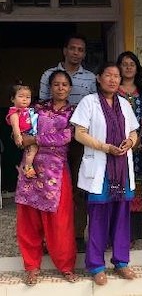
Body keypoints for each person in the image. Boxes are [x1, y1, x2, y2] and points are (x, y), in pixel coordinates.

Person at [70, 62, 139, 286]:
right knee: (98, 218)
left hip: (121, 170)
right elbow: (79, 133)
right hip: (100, 168)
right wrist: (104, 147)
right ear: (98, 78)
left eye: (116, 76)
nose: (112, 79)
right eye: (108, 75)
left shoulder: (124, 104)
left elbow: (134, 131)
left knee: (121, 217)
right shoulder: (88, 102)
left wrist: (130, 142)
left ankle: (121, 262)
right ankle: (96, 265)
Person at [16, 70, 77, 285]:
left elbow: (66, 136)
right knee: (29, 219)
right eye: (56, 84)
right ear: (50, 87)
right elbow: (22, 130)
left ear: (70, 88)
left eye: (64, 85)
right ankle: (31, 265)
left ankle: (66, 265)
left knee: (60, 221)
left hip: (57, 170)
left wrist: (36, 138)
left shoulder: (73, 112)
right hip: (31, 168)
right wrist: (22, 135)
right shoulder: (37, 108)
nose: (60, 88)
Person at [39, 33, 96, 252]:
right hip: (51, 143)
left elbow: (92, 110)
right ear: (65, 50)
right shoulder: (49, 75)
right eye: (73, 48)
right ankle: (50, 236)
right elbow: (42, 106)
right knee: (51, 188)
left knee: (79, 187)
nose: (76, 53)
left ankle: (77, 235)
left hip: (79, 141)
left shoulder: (90, 78)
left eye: (81, 50)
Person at [117, 51, 142, 246]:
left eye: (132, 64)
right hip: (115, 147)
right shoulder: (113, 90)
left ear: (137, 67)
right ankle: (115, 232)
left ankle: (132, 234)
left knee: (135, 187)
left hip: (137, 150)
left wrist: (137, 141)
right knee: (117, 186)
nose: (128, 67)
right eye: (124, 64)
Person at [6, 82, 38, 178]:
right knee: (32, 149)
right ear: (12, 99)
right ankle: (27, 167)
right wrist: (18, 135)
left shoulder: (29, 110)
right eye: (21, 96)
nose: (24, 99)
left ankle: (26, 166)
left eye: (28, 97)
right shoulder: (14, 111)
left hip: (31, 132)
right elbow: (15, 125)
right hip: (23, 134)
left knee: (32, 150)